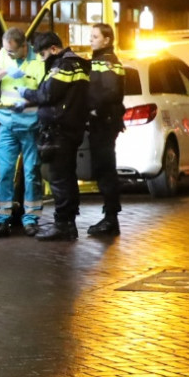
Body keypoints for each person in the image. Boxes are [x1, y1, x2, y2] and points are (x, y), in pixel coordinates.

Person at [15, 31, 90, 241]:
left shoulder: (63, 66)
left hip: (60, 131)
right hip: (69, 129)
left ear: (54, 49)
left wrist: (26, 94)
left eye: (43, 53)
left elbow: (48, 93)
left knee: (59, 179)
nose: (41, 58)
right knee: (67, 178)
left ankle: (62, 224)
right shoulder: (77, 64)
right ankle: (68, 223)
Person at [0, 28, 44, 236]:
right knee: (5, 173)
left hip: (30, 126)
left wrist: (27, 99)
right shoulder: (4, 55)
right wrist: (5, 70)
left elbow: (45, 94)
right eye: (6, 51)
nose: (8, 54)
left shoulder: (38, 61)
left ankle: (31, 218)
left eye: (12, 52)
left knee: (31, 172)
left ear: (23, 46)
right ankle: (3, 218)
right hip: (8, 124)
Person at [85, 23, 126, 236]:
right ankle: (109, 217)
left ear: (107, 40)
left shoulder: (107, 61)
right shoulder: (100, 60)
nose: (90, 40)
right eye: (91, 36)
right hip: (103, 121)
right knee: (103, 169)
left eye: (95, 36)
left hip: (104, 122)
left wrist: (92, 108)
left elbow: (110, 91)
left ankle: (111, 219)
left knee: (105, 169)